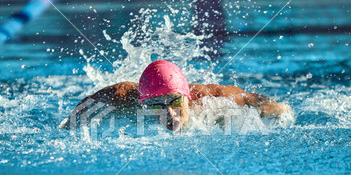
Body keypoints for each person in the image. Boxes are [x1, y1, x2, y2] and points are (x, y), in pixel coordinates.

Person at [60, 60, 290, 132]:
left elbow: (254, 101)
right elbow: (83, 109)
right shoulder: (125, 97)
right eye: (155, 105)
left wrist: (281, 112)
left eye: (175, 101)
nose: (168, 113)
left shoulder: (215, 99)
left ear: (186, 97)